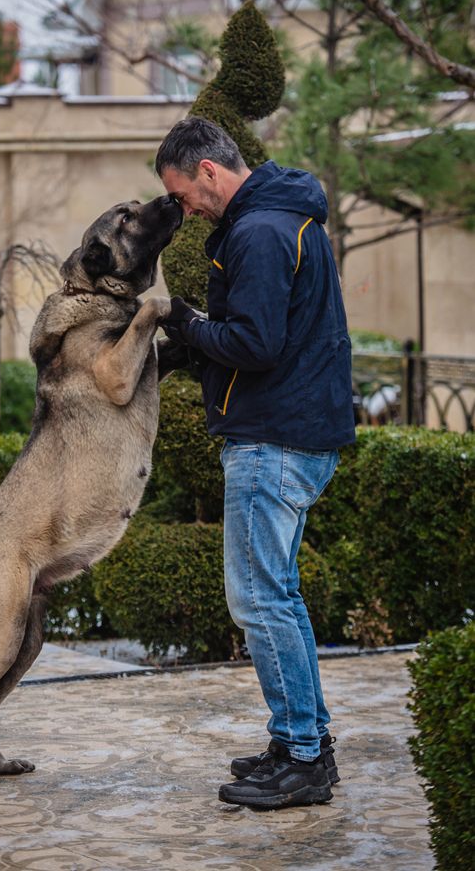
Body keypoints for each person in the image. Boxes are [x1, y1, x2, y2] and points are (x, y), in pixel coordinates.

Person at [155, 116, 356, 810]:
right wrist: (196, 344)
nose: (183, 211)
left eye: (183, 196)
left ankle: (304, 758)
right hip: (292, 432)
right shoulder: (279, 219)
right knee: (277, 596)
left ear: (208, 171)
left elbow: (255, 342)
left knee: (260, 600)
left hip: (275, 440)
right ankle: (296, 741)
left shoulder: (261, 231)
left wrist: (184, 324)